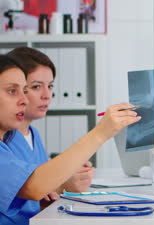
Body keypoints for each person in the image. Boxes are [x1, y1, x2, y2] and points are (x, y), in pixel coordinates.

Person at [0, 55, 140, 225]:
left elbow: (29, 192)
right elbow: (34, 187)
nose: (25, 100)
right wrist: (101, 132)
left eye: (24, 90)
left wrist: (54, 189)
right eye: (12, 91)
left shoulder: (16, 138)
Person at [7, 47, 95, 193]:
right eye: (36, 87)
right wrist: (62, 186)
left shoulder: (33, 134)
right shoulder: (5, 140)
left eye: (50, 86)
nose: (47, 95)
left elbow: (42, 185)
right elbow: (23, 196)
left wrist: (67, 170)